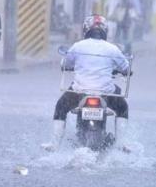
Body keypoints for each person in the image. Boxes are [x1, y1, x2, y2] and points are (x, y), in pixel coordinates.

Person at [41, 14, 130, 152]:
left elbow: (65, 63)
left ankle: (54, 144)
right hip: (106, 92)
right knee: (122, 107)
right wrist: (125, 71)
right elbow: (125, 67)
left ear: (86, 30)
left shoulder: (78, 46)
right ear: (105, 31)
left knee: (60, 108)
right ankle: (121, 144)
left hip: (79, 91)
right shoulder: (112, 48)